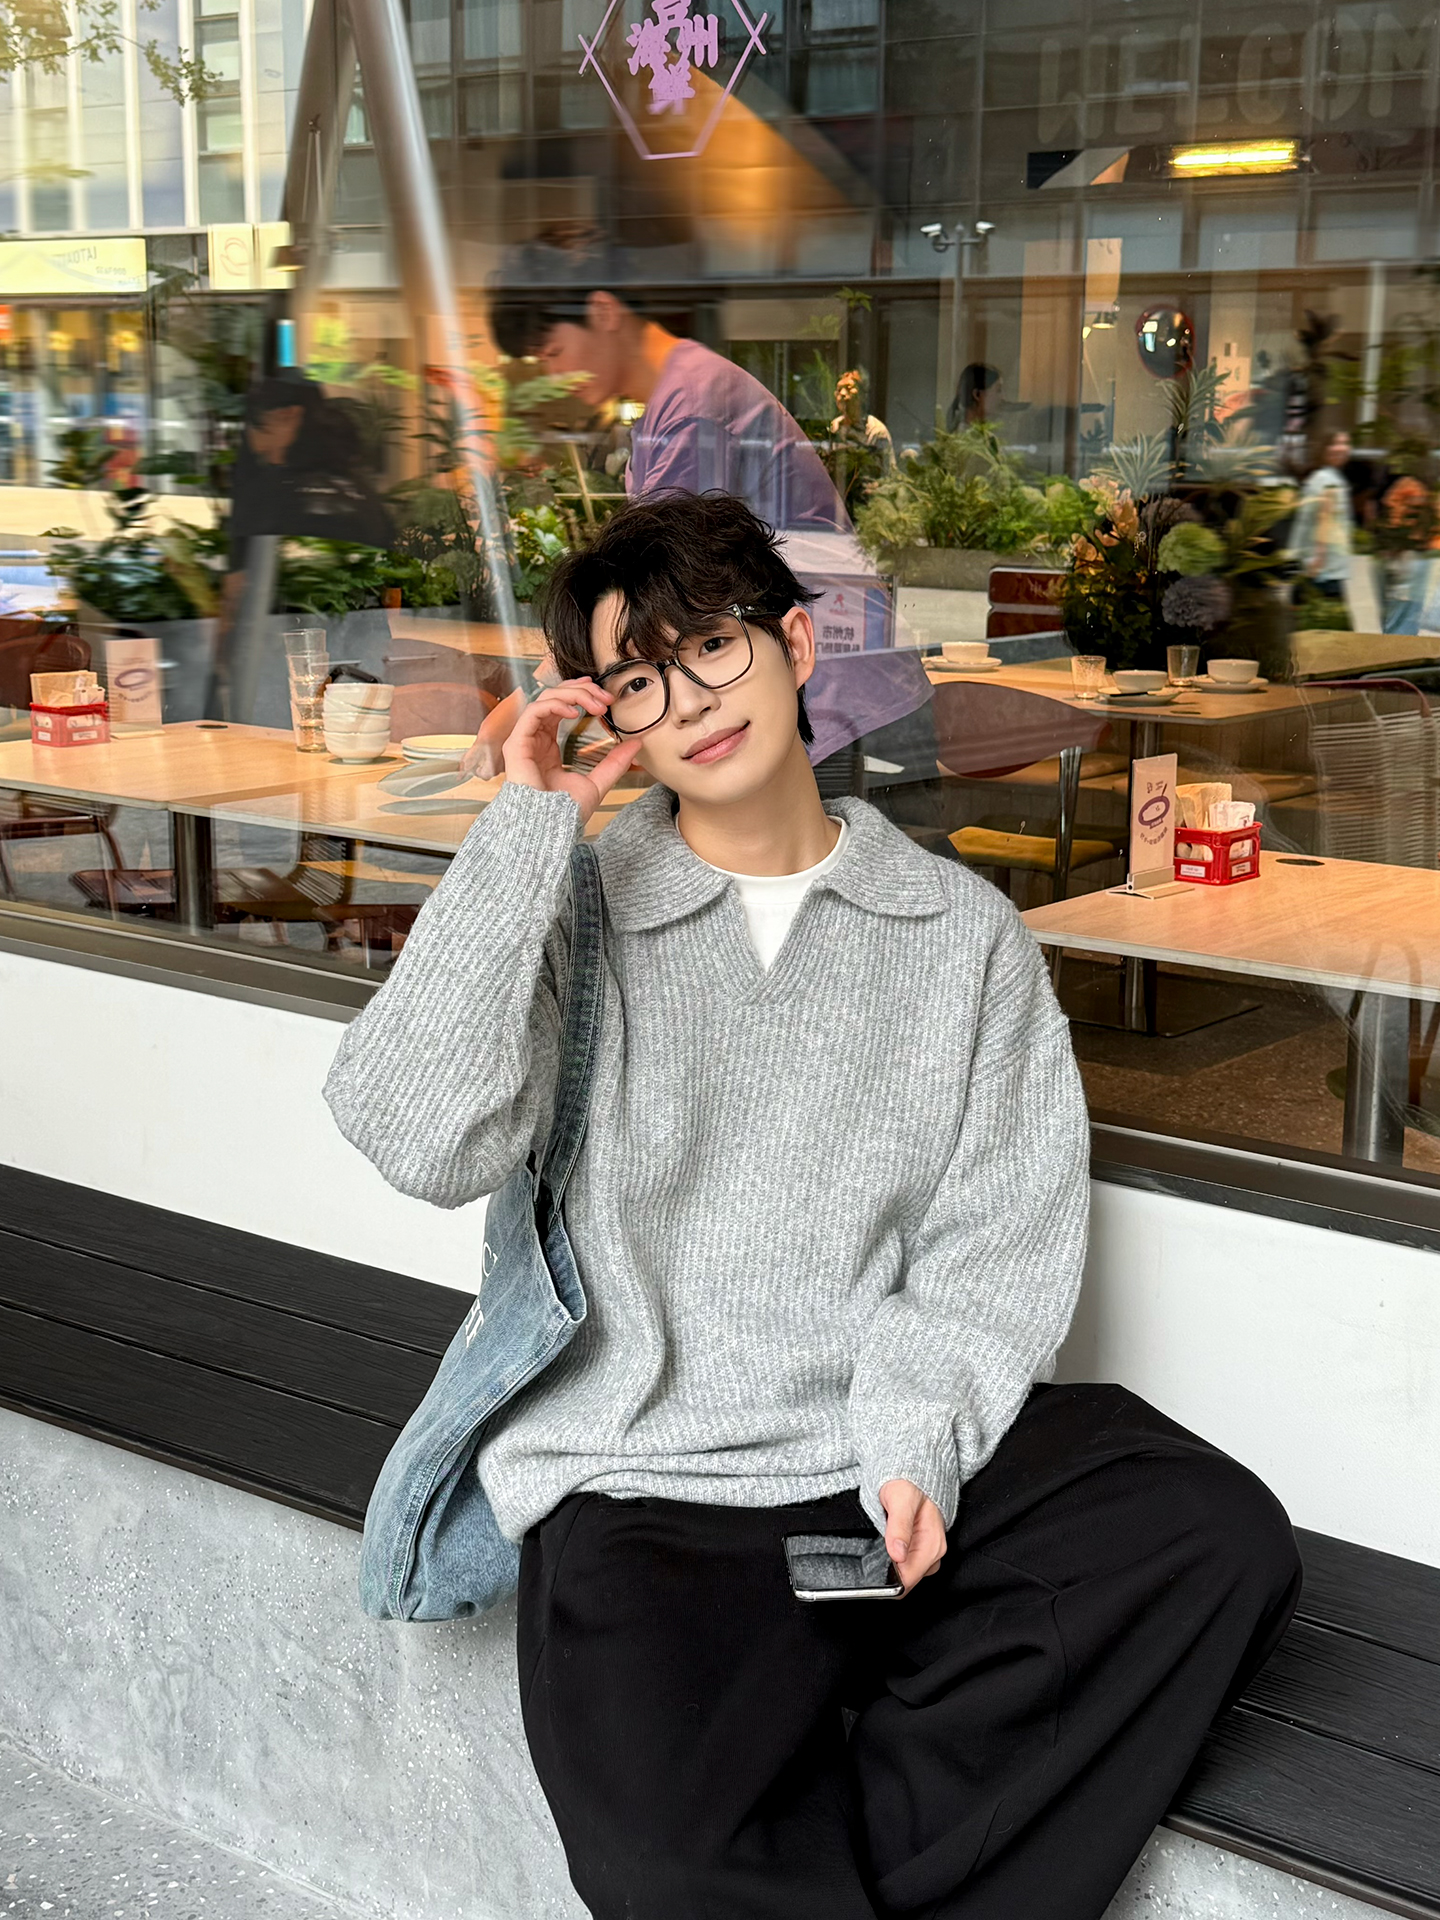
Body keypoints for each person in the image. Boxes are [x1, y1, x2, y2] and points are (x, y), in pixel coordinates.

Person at [324, 491, 1301, 1920]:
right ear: (609, 717)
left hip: (875, 1445)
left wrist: (916, 1442)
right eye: (639, 679)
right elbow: (415, 1137)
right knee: (666, 1861)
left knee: (1208, 1536)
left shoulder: (957, 934)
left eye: (712, 647)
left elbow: (989, 1250)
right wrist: (526, 830)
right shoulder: (575, 907)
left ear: (795, 644)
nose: (690, 702)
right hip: (646, 1473)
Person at [460, 235, 931, 779]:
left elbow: (651, 589)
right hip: (828, 693)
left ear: (603, 312)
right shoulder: (677, 399)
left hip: (841, 702)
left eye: (553, 353)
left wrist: (523, 709)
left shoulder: (691, 410)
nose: (551, 376)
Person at [1291, 428, 1356, 596]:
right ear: (1324, 449)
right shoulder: (1327, 480)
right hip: (1324, 568)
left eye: (1345, 443)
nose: (1342, 448)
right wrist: (1319, 558)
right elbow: (1325, 518)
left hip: (1321, 565)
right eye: (1335, 443)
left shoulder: (1325, 477)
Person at [947, 360, 1002, 431]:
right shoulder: (963, 434)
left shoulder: (980, 432)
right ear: (977, 395)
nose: (1002, 397)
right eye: (998, 390)